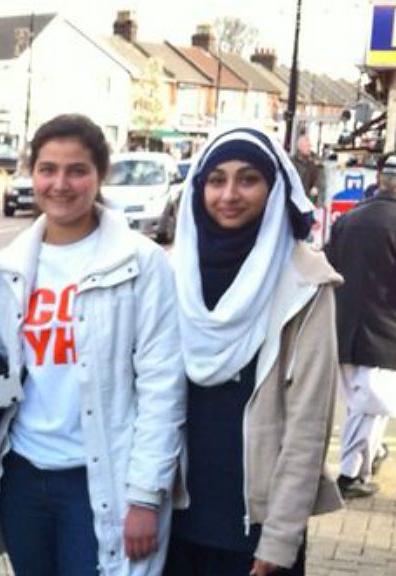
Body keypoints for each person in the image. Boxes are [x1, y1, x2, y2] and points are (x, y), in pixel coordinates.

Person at [0, 113, 187, 575]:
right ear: (31, 173)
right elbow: (13, 372)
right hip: (23, 476)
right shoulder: (13, 266)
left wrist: (146, 496)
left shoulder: (141, 263)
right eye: (48, 169)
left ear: (100, 174)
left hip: (99, 478)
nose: (60, 184)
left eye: (77, 170)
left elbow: (162, 386)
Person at [167, 125, 344, 575]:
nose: (230, 194)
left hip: (256, 526)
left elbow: (308, 425)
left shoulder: (305, 284)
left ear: (274, 187)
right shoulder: (173, 277)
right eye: (216, 180)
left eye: (248, 179)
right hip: (176, 517)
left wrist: (281, 539)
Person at [326, 152, 396, 499]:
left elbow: (328, 265)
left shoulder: (349, 219)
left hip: (345, 325)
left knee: (364, 403)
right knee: (370, 404)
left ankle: (365, 462)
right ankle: (351, 473)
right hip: (385, 330)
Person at [291, 134, 321, 205]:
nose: (309, 148)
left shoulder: (312, 164)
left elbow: (316, 179)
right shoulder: (291, 163)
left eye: (310, 146)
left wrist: (315, 187)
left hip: (306, 199)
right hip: (293, 198)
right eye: (307, 146)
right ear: (300, 147)